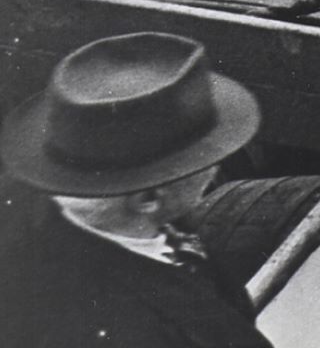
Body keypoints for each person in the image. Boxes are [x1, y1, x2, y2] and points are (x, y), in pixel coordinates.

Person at [1, 31, 275, 347]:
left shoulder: (16, 195)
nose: (216, 167)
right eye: (203, 160)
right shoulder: (155, 332)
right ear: (147, 198)